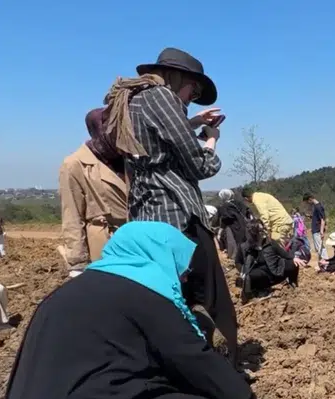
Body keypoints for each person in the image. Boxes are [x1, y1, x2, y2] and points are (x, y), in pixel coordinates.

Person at [1, 222, 278, 399]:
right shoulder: (144, 294)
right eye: (178, 263)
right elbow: (191, 356)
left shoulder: (72, 291)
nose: (182, 274)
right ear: (158, 256)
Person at [104, 47, 238, 362]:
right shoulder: (161, 97)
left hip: (147, 214)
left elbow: (156, 142)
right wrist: (211, 140)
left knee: (168, 297)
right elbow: (199, 166)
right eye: (194, 88)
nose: (193, 96)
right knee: (206, 297)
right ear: (178, 78)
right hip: (177, 214)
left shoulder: (135, 99)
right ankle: (214, 366)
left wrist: (189, 122)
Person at [58, 108, 128, 277]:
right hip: (105, 243)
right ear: (99, 131)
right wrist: (77, 264)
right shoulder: (74, 164)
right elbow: (72, 216)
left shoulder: (129, 159)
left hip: (136, 241)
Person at [237, 228, 306, 304]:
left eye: (262, 229)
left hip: (276, 270)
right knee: (250, 276)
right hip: (261, 275)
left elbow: (284, 254)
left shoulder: (270, 243)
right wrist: (242, 271)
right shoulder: (245, 247)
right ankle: (258, 291)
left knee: (293, 264)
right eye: (260, 231)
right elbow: (237, 262)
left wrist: (294, 258)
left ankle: (292, 283)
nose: (263, 232)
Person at [217, 188, 249, 260]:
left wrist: (219, 232)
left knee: (234, 243)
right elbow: (248, 212)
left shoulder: (224, 207)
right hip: (244, 225)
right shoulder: (239, 203)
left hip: (233, 227)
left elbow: (225, 220)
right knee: (244, 241)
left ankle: (237, 258)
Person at [304, 193, 328, 260]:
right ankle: (322, 264)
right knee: (318, 248)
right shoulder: (316, 206)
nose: (308, 203)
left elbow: (323, 219)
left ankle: (325, 263)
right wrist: (311, 217)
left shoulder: (318, 207)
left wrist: (321, 231)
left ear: (310, 199)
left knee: (320, 248)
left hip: (317, 231)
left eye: (307, 202)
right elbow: (318, 218)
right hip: (316, 230)